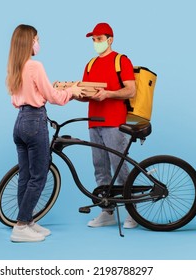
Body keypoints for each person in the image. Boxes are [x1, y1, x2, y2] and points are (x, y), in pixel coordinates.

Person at [6, 24, 84, 242]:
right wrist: (72, 91)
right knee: (39, 175)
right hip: (34, 122)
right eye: (37, 39)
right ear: (29, 42)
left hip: (20, 121)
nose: (38, 43)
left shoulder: (14, 67)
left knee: (26, 175)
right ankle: (21, 227)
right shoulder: (35, 66)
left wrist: (44, 92)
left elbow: (16, 100)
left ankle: (27, 220)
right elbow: (54, 97)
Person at [81, 23, 138, 229]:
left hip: (114, 121)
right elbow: (86, 95)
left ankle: (133, 212)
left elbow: (130, 90)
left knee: (120, 166)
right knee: (100, 167)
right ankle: (107, 211)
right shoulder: (89, 64)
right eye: (94, 39)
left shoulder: (120, 60)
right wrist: (74, 93)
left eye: (99, 38)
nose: (96, 43)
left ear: (110, 39)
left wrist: (109, 94)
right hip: (93, 122)